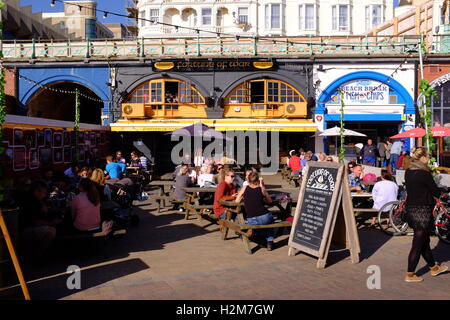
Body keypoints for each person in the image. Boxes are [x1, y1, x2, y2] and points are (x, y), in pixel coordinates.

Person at [404, 147, 448, 282]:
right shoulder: (424, 173)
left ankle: (434, 267)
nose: (428, 159)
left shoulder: (409, 172)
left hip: (411, 209)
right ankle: (410, 274)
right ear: (422, 158)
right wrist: (444, 193)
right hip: (422, 211)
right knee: (417, 244)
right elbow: (435, 191)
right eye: (428, 157)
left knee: (424, 242)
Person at [19, 180, 60, 259]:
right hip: (26, 229)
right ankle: (37, 256)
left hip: (35, 226)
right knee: (50, 231)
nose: (44, 195)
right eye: (43, 193)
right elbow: (36, 222)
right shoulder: (30, 202)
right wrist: (52, 223)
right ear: (37, 191)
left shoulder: (39, 200)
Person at [236, 172, 275, 251]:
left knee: (258, 225)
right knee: (269, 220)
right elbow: (270, 201)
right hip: (264, 216)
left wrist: (244, 198)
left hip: (251, 218)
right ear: (257, 179)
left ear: (248, 180)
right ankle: (270, 241)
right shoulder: (261, 189)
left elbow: (237, 200)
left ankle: (263, 240)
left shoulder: (245, 188)